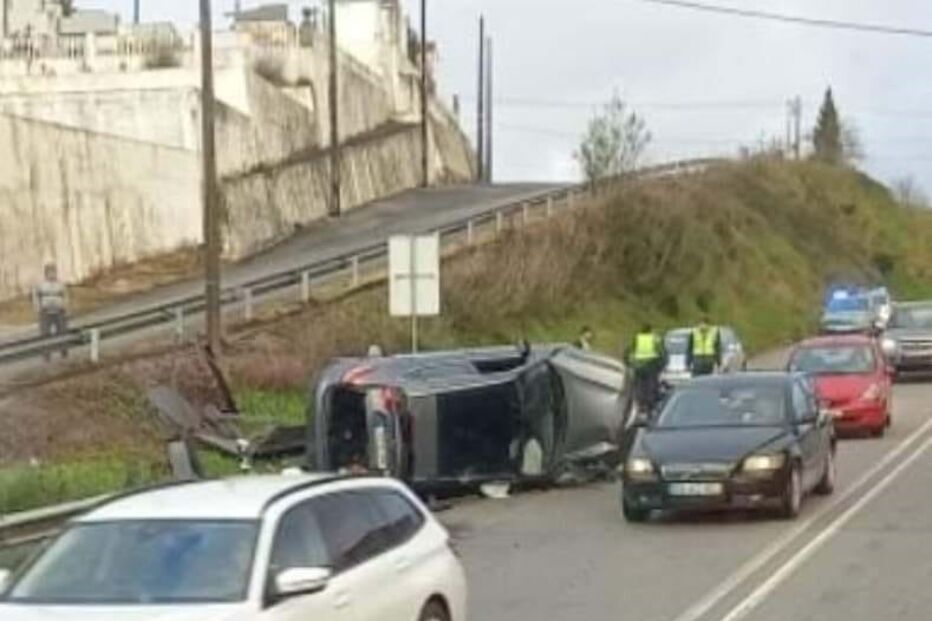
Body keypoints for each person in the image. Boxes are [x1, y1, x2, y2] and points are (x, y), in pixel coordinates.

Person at [33, 263, 69, 361]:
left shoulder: (60, 284)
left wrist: (65, 307)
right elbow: (36, 297)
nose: (52, 274)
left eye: (54, 272)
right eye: (50, 272)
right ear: (46, 273)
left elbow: (65, 296)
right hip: (45, 312)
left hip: (59, 311)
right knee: (45, 334)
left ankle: (64, 352)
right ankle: (46, 355)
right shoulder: (41, 285)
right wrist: (38, 308)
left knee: (62, 332)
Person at [627, 323, 667, 413]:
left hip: (638, 366)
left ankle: (640, 405)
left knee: (639, 386)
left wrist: (631, 363)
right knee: (651, 386)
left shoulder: (637, 338)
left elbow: (630, 351)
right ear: (650, 330)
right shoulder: (654, 339)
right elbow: (661, 352)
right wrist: (661, 365)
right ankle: (650, 405)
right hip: (651, 365)